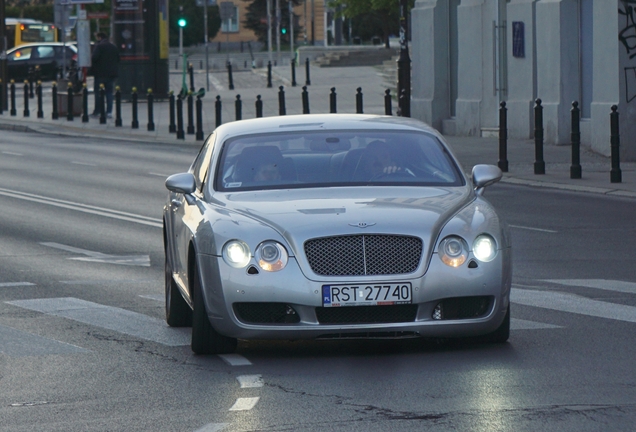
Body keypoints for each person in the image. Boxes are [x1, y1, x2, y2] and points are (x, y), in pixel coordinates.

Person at [91, 32, 120, 118]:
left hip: (100, 74)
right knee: (109, 93)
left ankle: (98, 111)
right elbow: (118, 59)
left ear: (100, 37)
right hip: (111, 74)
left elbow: (94, 58)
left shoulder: (99, 46)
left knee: (98, 93)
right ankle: (109, 112)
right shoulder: (113, 47)